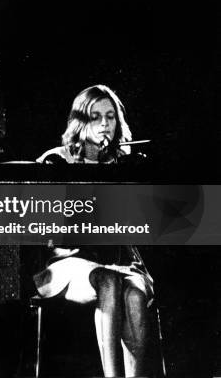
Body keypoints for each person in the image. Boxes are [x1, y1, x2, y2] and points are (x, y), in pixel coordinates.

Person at [35, 84, 154, 377]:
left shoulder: (126, 163)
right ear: (81, 121)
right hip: (66, 264)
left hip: (123, 260)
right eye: (95, 116)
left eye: (111, 117)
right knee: (108, 280)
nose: (104, 124)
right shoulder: (56, 160)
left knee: (136, 295)